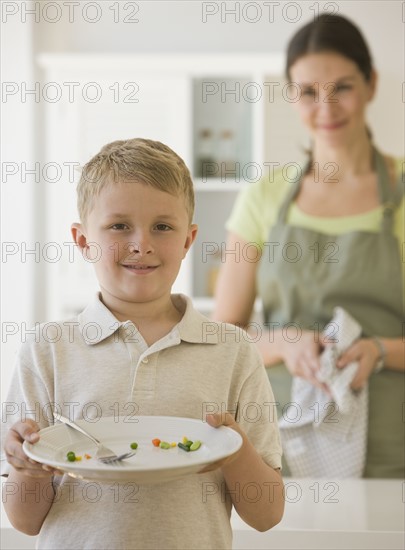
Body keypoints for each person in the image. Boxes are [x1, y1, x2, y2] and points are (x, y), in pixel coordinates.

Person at [1, 138, 284, 549]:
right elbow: (25, 522)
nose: (142, 244)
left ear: (188, 240)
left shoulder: (232, 351)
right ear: (83, 241)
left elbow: (266, 515)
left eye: (162, 227)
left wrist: (235, 448)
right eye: (119, 226)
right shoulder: (49, 350)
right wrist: (26, 468)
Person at [214, 13, 404, 478]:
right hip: (278, 440)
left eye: (342, 87)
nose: (326, 106)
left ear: (371, 83)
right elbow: (222, 339)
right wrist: (282, 342)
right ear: (290, 95)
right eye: (307, 92)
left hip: (390, 445)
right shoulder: (263, 197)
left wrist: (379, 351)